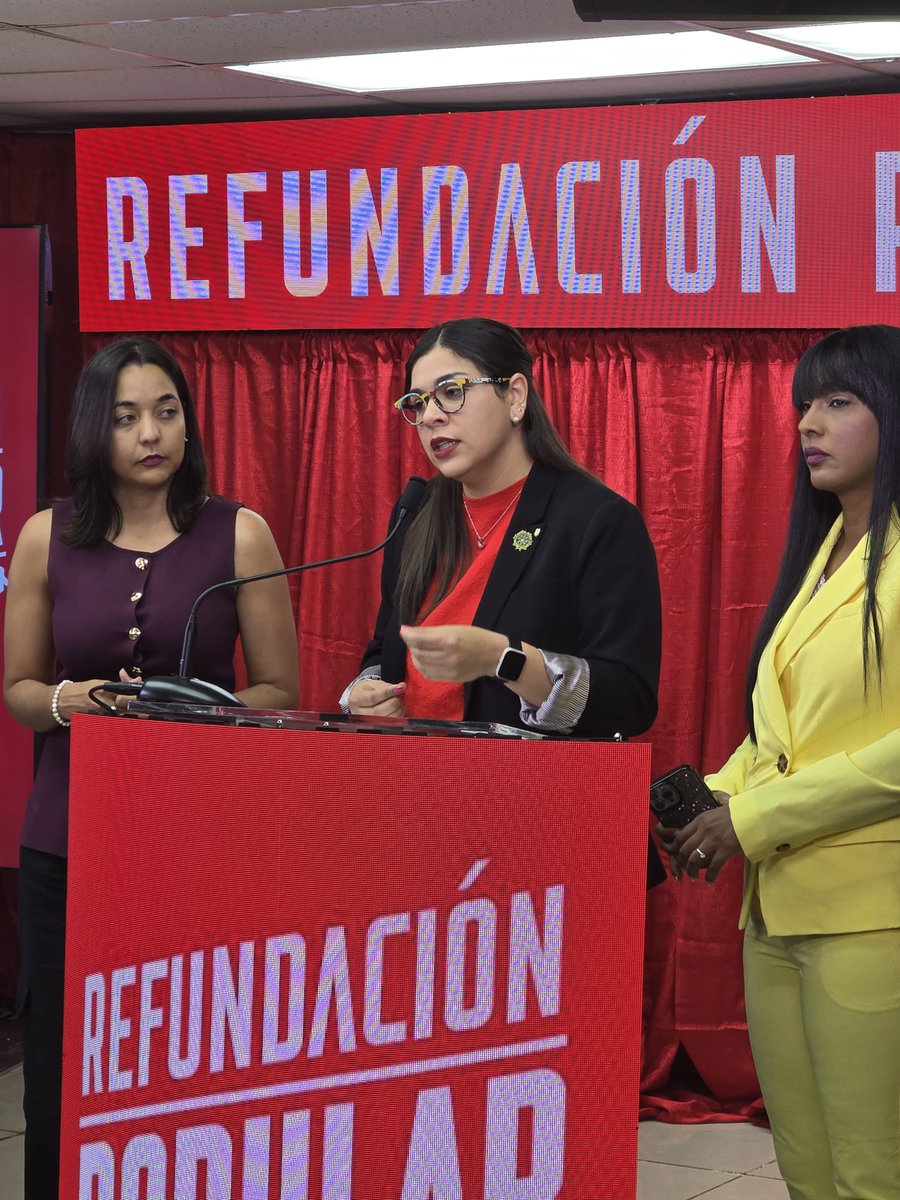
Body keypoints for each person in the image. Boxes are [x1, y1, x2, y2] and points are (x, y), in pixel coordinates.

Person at [3, 337, 299, 1199]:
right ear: (97, 429)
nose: (150, 433)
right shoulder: (44, 537)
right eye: (128, 416)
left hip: (201, 838)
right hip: (67, 838)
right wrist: (76, 701)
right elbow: (20, 689)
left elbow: (281, 688)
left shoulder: (238, 532)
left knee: (188, 1049)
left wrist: (200, 712)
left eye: (166, 411)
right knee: (63, 1051)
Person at [658, 325, 900, 1200]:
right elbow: (779, 741)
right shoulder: (824, 552)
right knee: (807, 1171)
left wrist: (751, 821)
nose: (808, 423)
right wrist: (714, 797)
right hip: (776, 919)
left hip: (874, 921)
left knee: (873, 1172)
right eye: (805, 404)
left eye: (838, 402)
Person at [343, 315, 661, 743]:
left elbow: (628, 701)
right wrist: (365, 691)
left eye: (451, 393)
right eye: (418, 403)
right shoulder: (416, 514)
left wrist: (504, 659)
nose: (431, 417)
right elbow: (384, 650)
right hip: (408, 781)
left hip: (526, 792)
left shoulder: (596, 520)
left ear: (514, 396)